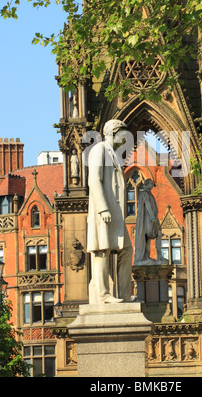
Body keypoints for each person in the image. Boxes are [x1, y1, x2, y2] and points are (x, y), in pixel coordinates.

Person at [87, 119, 134, 303]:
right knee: (101, 251)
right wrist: (103, 208)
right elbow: (94, 180)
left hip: (115, 212)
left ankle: (124, 294)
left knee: (126, 250)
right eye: (123, 133)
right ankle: (103, 295)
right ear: (113, 133)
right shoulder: (99, 149)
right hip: (104, 211)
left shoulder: (112, 153)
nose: (126, 138)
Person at [134, 178, 168, 266]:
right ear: (147, 184)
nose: (152, 186)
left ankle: (153, 256)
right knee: (152, 235)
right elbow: (148, 205)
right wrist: (153, 218)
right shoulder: (144, 194)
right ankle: (149, 257)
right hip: (147, 220)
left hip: (152, 218)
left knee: (155, 234)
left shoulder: (149, 194)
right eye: (151, 184)